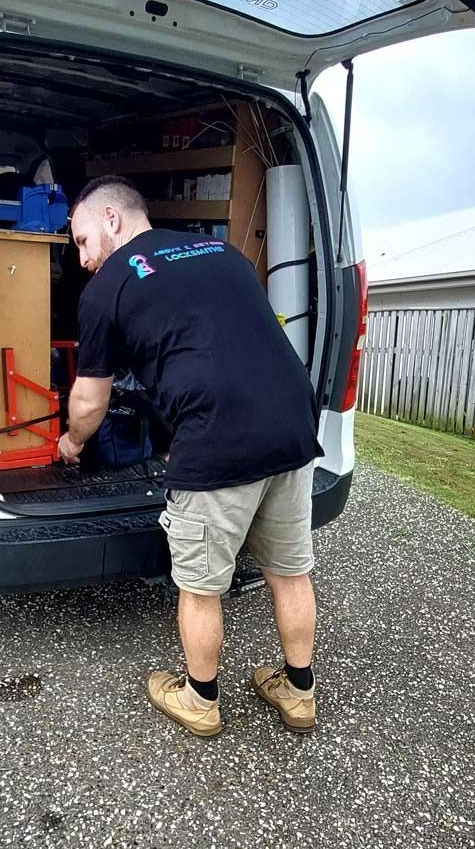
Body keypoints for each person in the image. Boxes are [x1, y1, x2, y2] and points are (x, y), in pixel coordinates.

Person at [58, 175, 322, 737]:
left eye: (82, 240)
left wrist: (72, 443)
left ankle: (200, 700)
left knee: (201, 587)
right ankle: (299, 692)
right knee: (289, 572)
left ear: (112, 219)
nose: (82, 259)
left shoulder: (106, 289)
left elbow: (89, 402)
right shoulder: (222, 253)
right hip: (293, 425)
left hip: (216, 438)